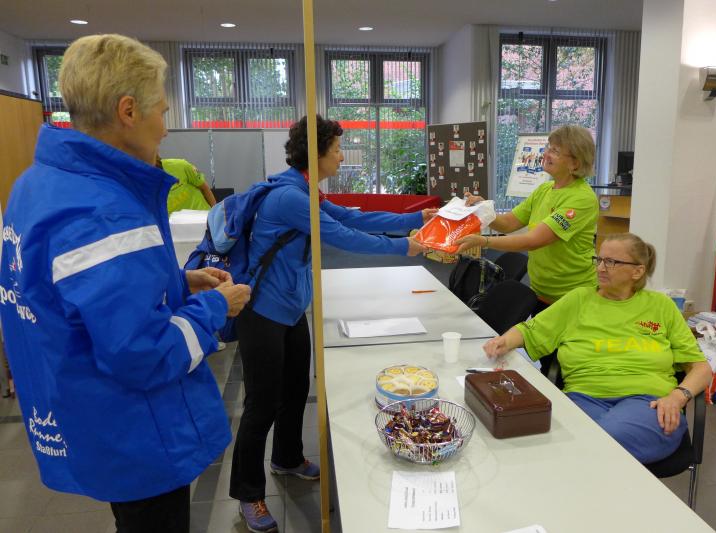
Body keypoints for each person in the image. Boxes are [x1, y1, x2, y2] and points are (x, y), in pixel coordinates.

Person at [0, 34, 252, 533]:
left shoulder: (37, 185)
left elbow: (73, 294)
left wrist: (176, 283)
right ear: (129, 110)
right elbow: (145, 354)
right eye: (162, 110)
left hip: (87, 416)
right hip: (138, 431)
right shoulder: (107, 212)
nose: (165, 127)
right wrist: (215, 307)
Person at [229, 115, 435, 532]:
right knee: (261, 406)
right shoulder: (290, 197)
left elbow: (354, 218)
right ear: (316, 152)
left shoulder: (306, 189)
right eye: (337, 148)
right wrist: (404, 248)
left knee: (294, 391)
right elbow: (342, 236)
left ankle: (287, 458)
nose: (342, 156)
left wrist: (416, 219)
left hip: (289, 310)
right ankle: (248, 494)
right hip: (262, 312)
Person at [483, 233, 712, 464]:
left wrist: (678, 397)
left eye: (611, 262)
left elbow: (701, 368)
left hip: (648, 403)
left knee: (583, 442)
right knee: (555, 438)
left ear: (637, 271)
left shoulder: (661, 306)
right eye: (599, 259)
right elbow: (530, 330)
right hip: (583, 398)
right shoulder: (579, 299)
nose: (601, 268)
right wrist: (504, 341)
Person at [456, 125, 599, 316]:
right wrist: (482, 209)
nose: (546, 154)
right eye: (548, 147)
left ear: (575, 163)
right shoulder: (544, 190)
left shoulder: (581, 198)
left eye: (555, 151)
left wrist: (484, 241)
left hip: (572, 295)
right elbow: (508, 223)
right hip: (541, 291)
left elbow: (533, 241)